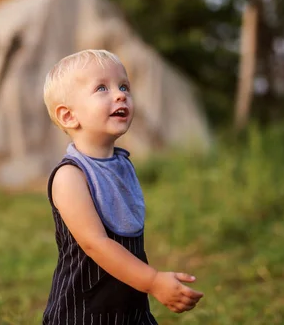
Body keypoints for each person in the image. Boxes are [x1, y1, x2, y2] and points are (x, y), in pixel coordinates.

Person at [42, 49, 203, 324]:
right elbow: (95, 243)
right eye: (102, 88)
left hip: (130, 308)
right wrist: (152, 281)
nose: (120, 95)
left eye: (124, 86)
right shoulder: (70, 176)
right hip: (85, 310)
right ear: (69, 116)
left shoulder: (123, 165)